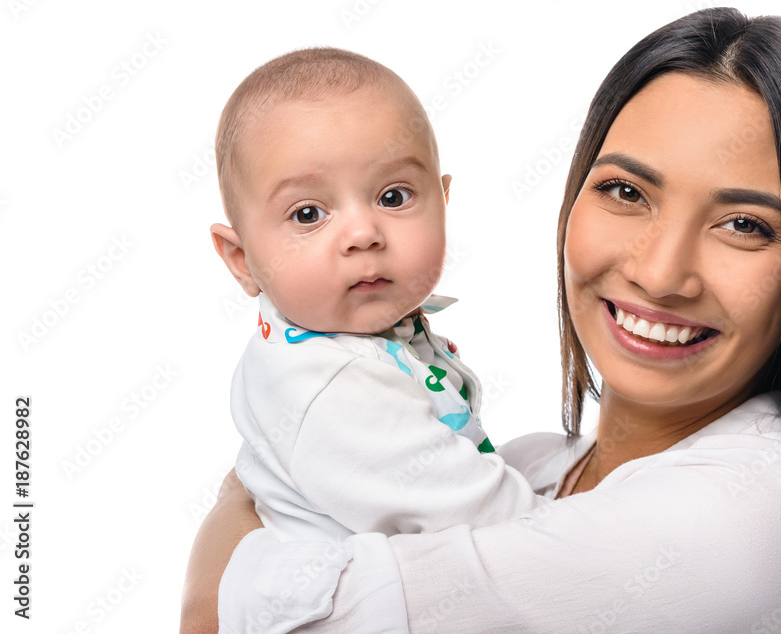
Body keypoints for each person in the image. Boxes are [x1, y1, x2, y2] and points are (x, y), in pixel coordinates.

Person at [183, 8, 781, 633]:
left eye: (744, 224)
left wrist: (226, 531)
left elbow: (226, 616)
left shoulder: (747, 520)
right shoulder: (528, 467)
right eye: (625, 190)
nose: (660, 273)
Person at [208, 48, 548, 543]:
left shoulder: (347, 333)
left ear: (443, 202)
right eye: (308, 214)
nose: (363, 233)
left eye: (394, 197)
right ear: (243, 261)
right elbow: (508, 528)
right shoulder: (333, 388)